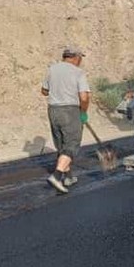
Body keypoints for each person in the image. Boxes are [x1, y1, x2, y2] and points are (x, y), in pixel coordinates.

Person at [41, 46, 91, 194]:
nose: (80, 61)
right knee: (72, 144)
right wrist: (83, 112)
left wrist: (58, 88)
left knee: (61, 144)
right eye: (80, 58)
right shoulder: (78, 73)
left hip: (53, 110)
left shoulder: (52, 69)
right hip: (70, 111)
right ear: (75, 58)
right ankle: (56, 176)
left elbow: (44, 91)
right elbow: (84, 97)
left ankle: (68, 177)